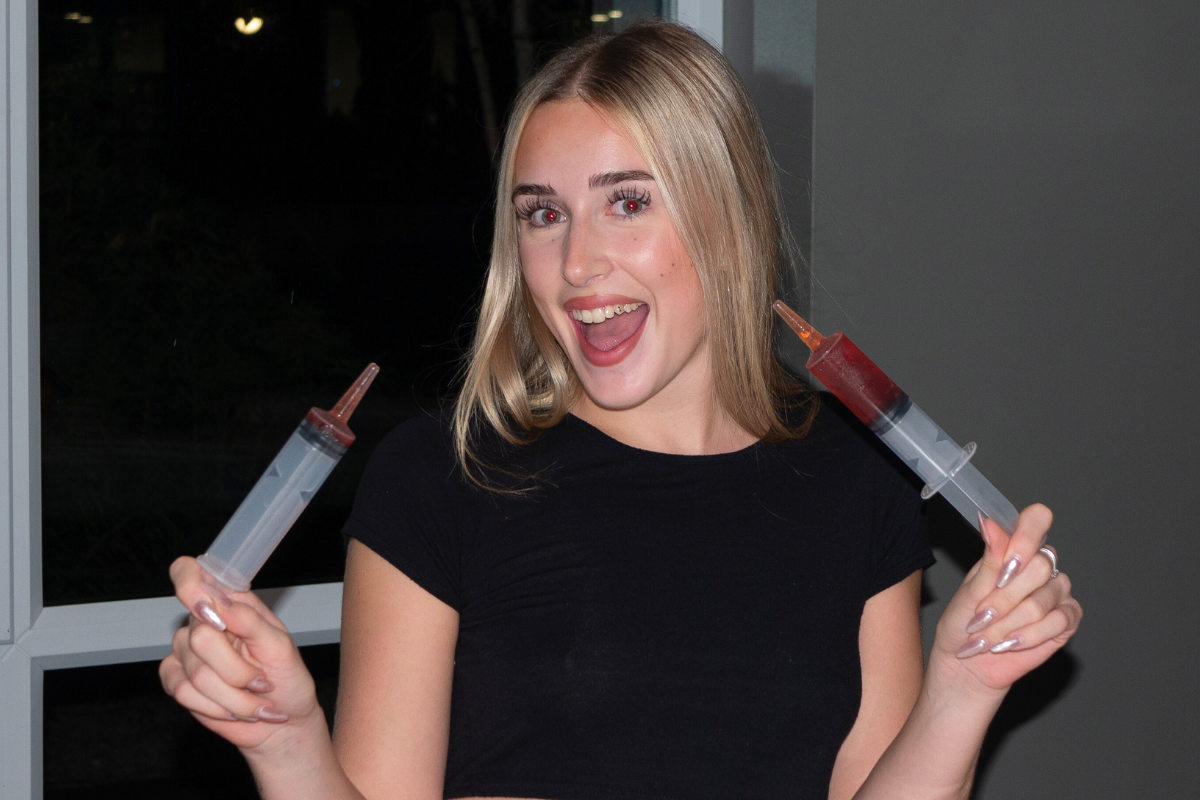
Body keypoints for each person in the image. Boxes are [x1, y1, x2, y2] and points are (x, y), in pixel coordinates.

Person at [161, 21, 1081, 800]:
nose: (577, 264)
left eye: (627, 202)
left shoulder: (853, 477)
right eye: (543, 214)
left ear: (729, 215)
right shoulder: (442, 479)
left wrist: (962, 686)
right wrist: (285, 741)